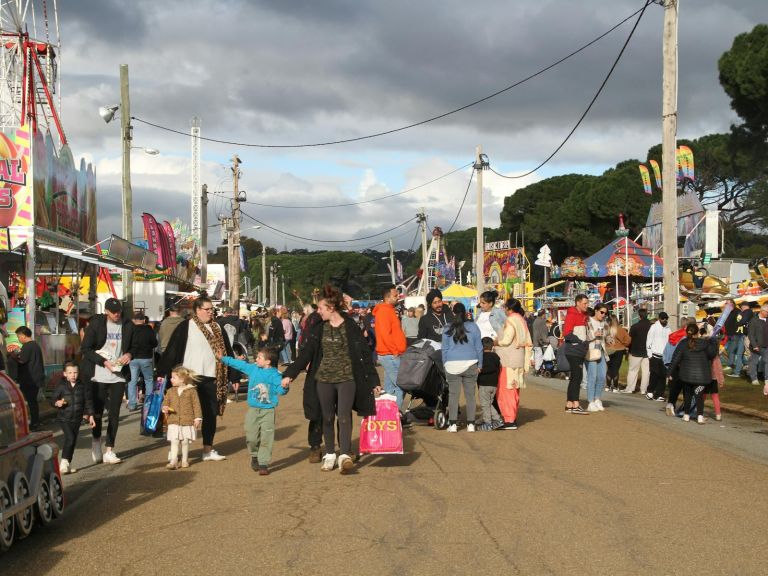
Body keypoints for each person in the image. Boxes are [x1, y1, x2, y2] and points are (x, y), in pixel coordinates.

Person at [281, 284, 379, 474]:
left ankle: (343, 455)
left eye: (321, 308)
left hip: (347, 379)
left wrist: (374, 381)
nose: (318, 312)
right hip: (323, 380)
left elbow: (364, 354)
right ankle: (329, 454)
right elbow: (306, 353)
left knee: (343, 416)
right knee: (326, 417)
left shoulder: (350, 325)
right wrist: (289, 374)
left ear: (331, 308)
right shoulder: (319, 327)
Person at [158, 296, 237, 462]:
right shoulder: (186, 326)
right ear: (197, 310)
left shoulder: (217, 327)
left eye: (211, 309)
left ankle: (208, 449)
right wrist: (161, 372)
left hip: (212, 376)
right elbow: (172, 350)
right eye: (207, 309)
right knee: (182, 414)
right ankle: (175, 450)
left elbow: (228, 352)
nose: (210, 312)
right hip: (189, 377)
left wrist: (234, 375)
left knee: (210, 414)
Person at [79, 298, 134, 464]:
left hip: (118, 375)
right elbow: (86, 349)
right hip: (98, 374)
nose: (117, 314)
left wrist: (129, 354)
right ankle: (96, 441)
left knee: (115, 413)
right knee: (97, 411)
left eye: (119, 311)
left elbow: (134, 346)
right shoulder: (96, 325)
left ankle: (110, 449)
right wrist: (103, 362)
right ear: (106, 311)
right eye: (113, 312)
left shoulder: (127, 325)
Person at [219, 347, 288, 475]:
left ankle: (263, 463)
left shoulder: (276, 375)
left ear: (268, 361)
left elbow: (281, 391)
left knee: (267, 436)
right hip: (253, 409)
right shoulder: (253, 369)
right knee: (251, 436)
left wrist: (284, 386)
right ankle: (254, 455)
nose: (256, 359)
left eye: (259, 358)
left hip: (268, 410)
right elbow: (239, 364)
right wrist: (224, 358)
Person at [441, 302, 483, 432]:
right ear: (466, 313)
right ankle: (471, 424)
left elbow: (444, 349)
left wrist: (445, 364)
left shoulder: (447, 328)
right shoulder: (474, 327)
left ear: (453, 313)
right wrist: (480, 364)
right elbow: (479, 348)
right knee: (470, 395)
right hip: (471, 364)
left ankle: (452, 424)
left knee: (453, 395)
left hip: (452, 365)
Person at [668, 323, 718, 424]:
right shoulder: (705, 343)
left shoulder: (683, 343)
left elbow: (676, 358)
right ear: (698, 332)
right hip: (702, 376)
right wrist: (712, 340)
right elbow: (712, 354)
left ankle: (686, 415)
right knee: (699, 396)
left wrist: (669, 372)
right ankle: (700, 416)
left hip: (686, 375)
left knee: (688, 394)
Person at [494, 298, 533, 428]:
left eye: (505, 307)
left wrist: (495, 342)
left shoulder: (511, 320)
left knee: (506, 390)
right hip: (519, 357)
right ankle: (512, 417)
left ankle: (509, 419)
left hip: (509, 358)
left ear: (508, 308)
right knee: (514, 389)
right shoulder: (522, 320)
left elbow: (506, 340)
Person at [51, 362, 95, 474]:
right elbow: (52, 400)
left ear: (78, 373)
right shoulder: (61, 386)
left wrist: (91, 415)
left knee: (73, 441)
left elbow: (88, 402)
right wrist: (57, 403)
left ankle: (67, 465)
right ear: (65, 374)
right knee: (70, 438)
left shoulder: (82, 386)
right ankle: (63, 464)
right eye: (70, 373)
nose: (73, 375)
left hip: (77, 418)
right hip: (64, 418)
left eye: (75, 372)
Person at [161, 366, 203, 470]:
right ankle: (173, 460)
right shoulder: (170, 391)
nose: (171, 379)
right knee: (174, 441)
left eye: (173, 377)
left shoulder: (192, 391)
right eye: (171, 377)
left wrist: (197, 418)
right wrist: (165, 407)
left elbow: (196, 405)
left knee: (184, 441)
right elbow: (165, 402)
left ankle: (184, 460)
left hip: (187, 420)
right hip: (174, 420)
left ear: (182, 379)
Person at [372, 285, 407, 409]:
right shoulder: (384, 311)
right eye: (395, 295)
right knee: (401, 386)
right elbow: (385, 334)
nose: (398, 297)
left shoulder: (388, 310)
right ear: (387, 297)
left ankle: (386, 415)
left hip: (390, 354)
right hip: (390, 355)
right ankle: (394, 416)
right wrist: (395, 351)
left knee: (390, 389)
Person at [297, 302, 324, 463]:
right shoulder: (314, 320)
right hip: (316, 372)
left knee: (341, 413)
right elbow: (306, 344)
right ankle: (315, 446)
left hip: (338, 374)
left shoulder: (342, 323)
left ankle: (344, 448)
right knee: (317, 412)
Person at [12, 326, 46, 430]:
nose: (18, 339)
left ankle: (33, 423)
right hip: (35, 379)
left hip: (29, 380)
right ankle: (35, 422)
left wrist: (14, 355)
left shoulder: (27, 346)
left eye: (18, 336)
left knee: (28, 402)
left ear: (23, 336)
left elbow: (22, 360)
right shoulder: (35, 345)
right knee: (33, 402)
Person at [562, 294, 589, 414]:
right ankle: (575, 403)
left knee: (575, 377)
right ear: (578, 303)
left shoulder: (584, 315)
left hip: (578, 350)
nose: (586, 305)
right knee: (577, 376)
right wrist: (580, 342)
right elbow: (567, 333)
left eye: (587, 303)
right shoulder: (572, 314)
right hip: (573, 350)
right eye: (584, 303)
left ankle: (570, 404)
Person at [127, 311, 158, 411]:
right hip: (146, 358)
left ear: (134, 320)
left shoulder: (131, 329)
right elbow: (154, 343)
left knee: (132, 381)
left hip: (133, 358)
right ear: (144, 320)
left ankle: (132, 404)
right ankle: (148, 404)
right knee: (148, 380)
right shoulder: (149, 330)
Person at [585, 304, 609, 412]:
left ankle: (597, 398)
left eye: (605, 313)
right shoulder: (588, 321)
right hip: (591, 351)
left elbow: (607, 336)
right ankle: (590, 401)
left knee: (602, 376)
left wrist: (609, 339)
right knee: (592, 377)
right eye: (602, 312)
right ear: (596, 311)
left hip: (601, 351)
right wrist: (594, 334)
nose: (603, 315)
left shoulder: (604, 323)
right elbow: (584, 337)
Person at [623, 308, 652, 394]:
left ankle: (630, 388)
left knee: (633, 370)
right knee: (646, 372)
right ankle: (644, 389)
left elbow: (630, 340)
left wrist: (628, 349)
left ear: (639, 316)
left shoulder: (634, 327)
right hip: (647, 352)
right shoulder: (651, 326)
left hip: (635, 351)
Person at [477, 337, 502, 431]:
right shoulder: (495, 356)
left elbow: (480, 370)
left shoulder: (481, 357)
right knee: (489, 404)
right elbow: (499, 367)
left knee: (485, 405)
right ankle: (497, 420)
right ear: (492, 347)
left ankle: (488, 423)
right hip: (494, 385)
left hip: (484, 384)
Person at [645, 312, 671, 401]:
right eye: (663, 318)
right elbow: (649, 341)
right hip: (654, 355)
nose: (665, 320)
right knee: (654, 374)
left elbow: (669, 341)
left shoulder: (668, 328)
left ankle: (659, 394)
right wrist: (649, 354)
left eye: (666, 318)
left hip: (664, 356)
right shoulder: (654, 327)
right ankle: (650, 391)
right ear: (659, 319)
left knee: (663, 376)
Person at [722, 301, 751, 377]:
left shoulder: (741, 312)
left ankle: (733, 366)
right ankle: (742, 367)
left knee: (734, 351)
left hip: (738, 335)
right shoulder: (732, 312)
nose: (740, 307)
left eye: (727, 303)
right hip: (735, 335)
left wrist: (736, 328)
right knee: (738, 352)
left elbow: (740, 322)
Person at [605, 315, 631, 392]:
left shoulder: (606, 329)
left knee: (609, 368)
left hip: (608, 349)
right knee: (616, 369)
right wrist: (624, 344)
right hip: (619, 350)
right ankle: (615, 386)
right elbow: (628, 340)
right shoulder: (621, 330)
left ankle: (608, 385)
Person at [747, 304, 768, 387]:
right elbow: (751, 335)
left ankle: (767, 379)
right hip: (756, 346)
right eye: (767, 312)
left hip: (766, 345)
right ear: (762, 311)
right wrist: (754, 345)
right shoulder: (753, 321)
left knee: (767, 362)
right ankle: (754, 379)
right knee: (753, 362)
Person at [531, 309, 549, 373]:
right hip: (539, 342)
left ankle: (537, 369)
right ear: (543, 315)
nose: (545, 316)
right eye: (545, 314)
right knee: (540, 356)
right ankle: (537, 370)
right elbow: (543, 333)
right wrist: (547, 341)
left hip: (535, 341)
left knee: (537, 356)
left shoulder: (535, 321)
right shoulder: (542, 321)